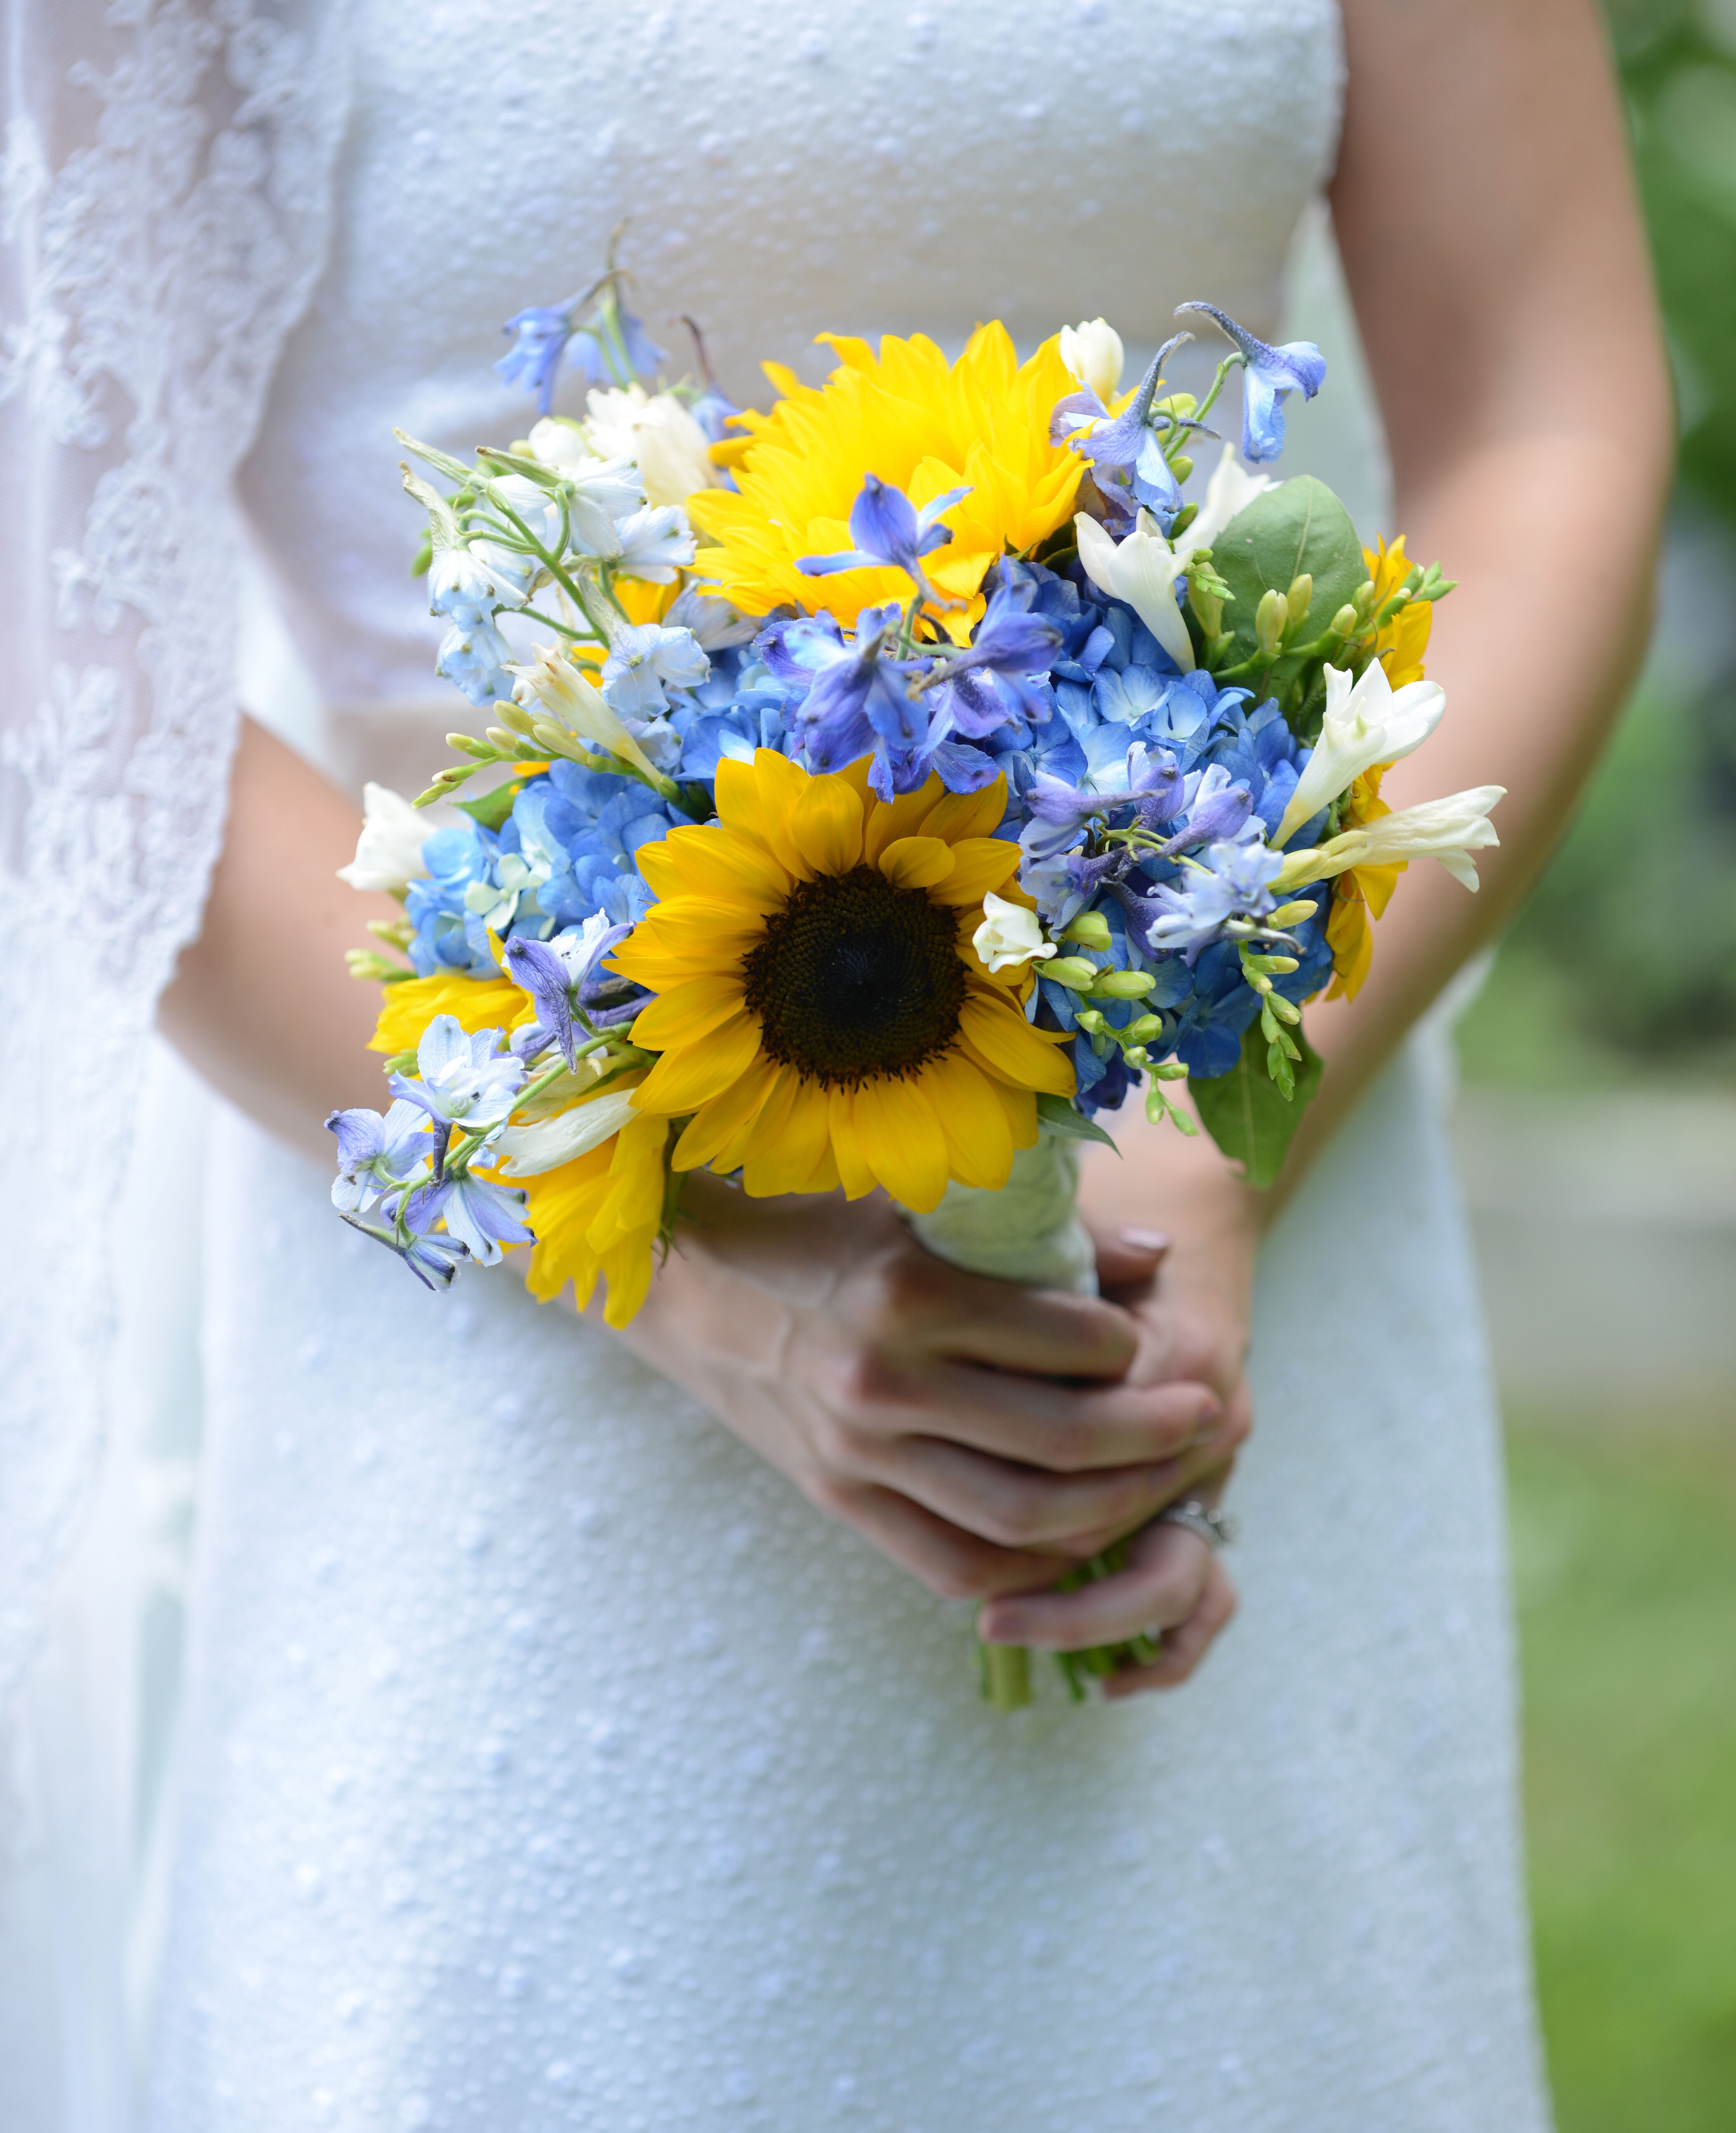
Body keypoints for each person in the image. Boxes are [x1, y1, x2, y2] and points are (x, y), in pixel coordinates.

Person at [1, 0, 1668, 2124]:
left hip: (1224, 1200)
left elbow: (1546, 398)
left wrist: (1210, 1121)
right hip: (516, 1258)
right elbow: (58, 616)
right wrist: (708, 1269)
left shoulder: (1214, 1149)